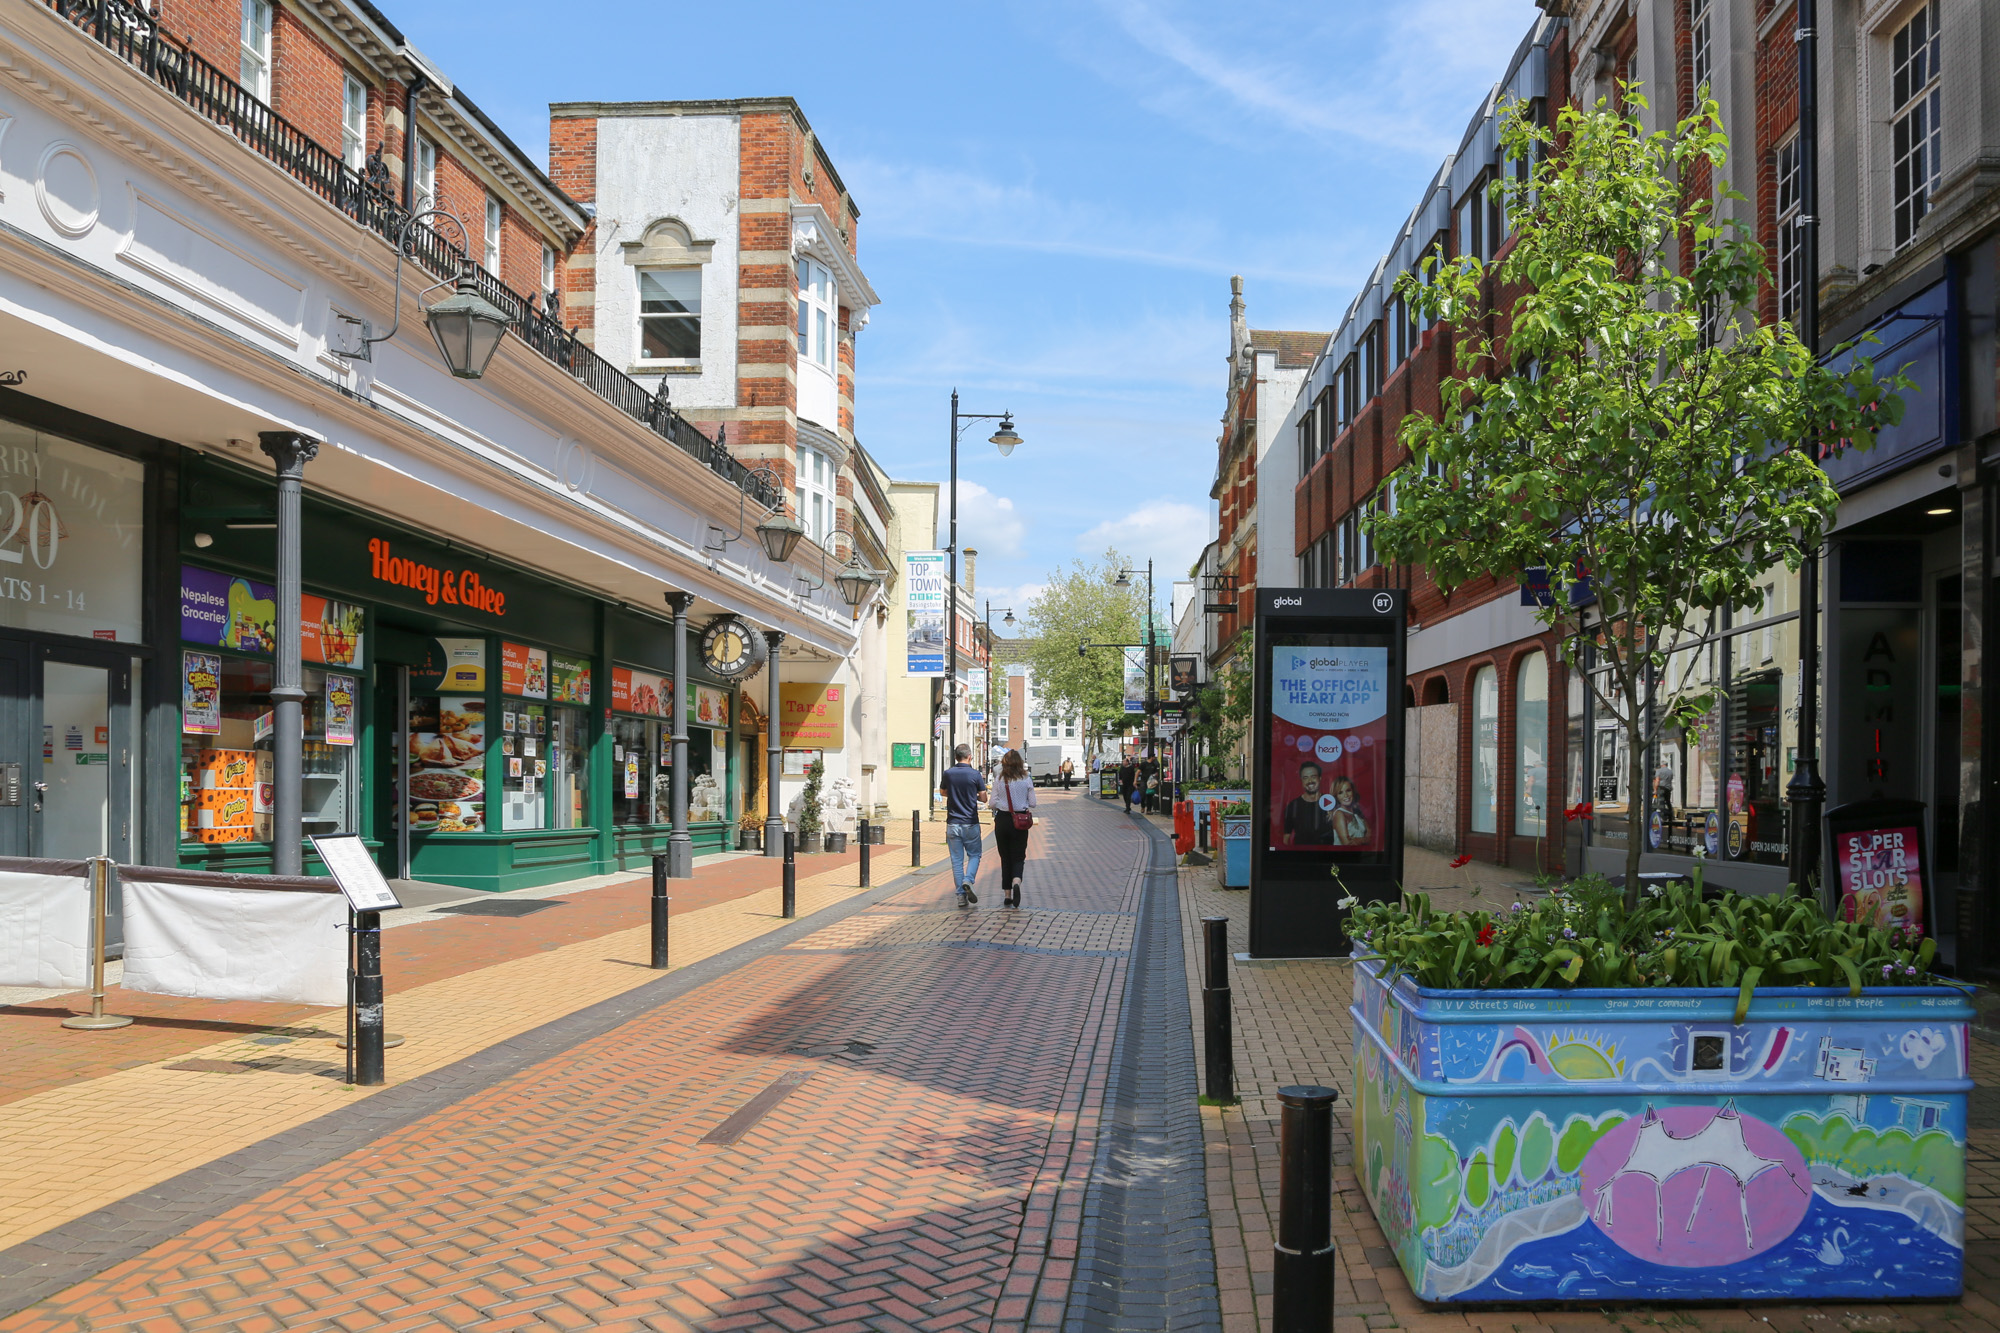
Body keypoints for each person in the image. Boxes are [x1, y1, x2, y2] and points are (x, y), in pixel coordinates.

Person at [938, 743, 987, 908]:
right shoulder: (975, 774)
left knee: (956, 860)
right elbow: (984, 797)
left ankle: (960, 896)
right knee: (975, 855)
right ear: (970, 756)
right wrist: (974, 795)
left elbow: (943, 792)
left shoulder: (948, 774)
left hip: (952, 823)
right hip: (970, 822)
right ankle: (968, 879)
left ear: (955, 757)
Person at [992, 749, 1038, 907]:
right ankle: (1016, 881)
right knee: (1018, 856)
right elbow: (1033, 803)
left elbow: (992, 803)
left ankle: (1007, 894)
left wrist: (1001, 804)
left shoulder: (999, 778)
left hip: (1003, 819)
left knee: (1005, 858)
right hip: (1020, 821)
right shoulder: (1026, 779)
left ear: (1004, 763)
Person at [1281, 760, 1338, 846]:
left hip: (1328, 857)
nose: (1310, 781)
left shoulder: (1332, 803)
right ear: (1301, 780)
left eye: (1313, 776)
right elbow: (1286, 839)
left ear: (1320, 778)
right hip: (1301, 856)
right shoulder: (1293, 806)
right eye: (1305, 777)